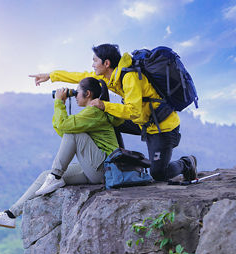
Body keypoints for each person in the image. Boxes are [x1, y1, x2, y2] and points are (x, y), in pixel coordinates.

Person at [29, 43, 197, 183]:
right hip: (144, 122)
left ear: (106, 63)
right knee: (105, 119)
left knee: (158, 174)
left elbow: (135, 112)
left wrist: (105, 105)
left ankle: (187, 163)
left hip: (162, 127)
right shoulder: (111, 77)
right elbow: (80, 76)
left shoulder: (130, 77)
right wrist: (50, 75)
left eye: (95, 61)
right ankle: (118, 163)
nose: (93, 64)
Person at [0, 77, 123, 228]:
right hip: (95, 168)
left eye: (77, 92)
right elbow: (64, 133)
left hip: (104, 169)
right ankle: (10, 214)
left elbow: (66, 129)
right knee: (44, 176)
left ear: (87, 94)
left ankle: (55, 175)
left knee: (72, 137)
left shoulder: (93, 112)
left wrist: (58, 103)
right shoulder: (90, 113)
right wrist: (61, 104)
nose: (74, 96)